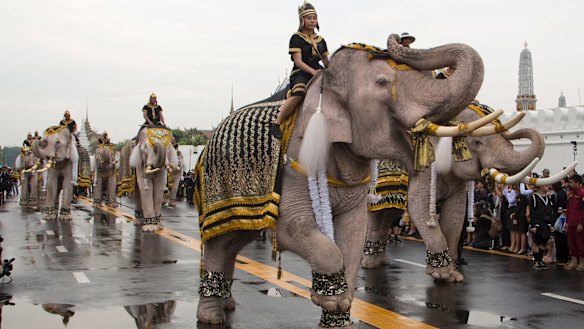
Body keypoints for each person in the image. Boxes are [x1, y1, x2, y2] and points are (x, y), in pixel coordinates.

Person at [271, 1, 329, 139]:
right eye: (309, 18)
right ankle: (277, 123)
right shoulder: (296, 38)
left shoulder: (321, 40)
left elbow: (326, 61)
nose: (312, 21)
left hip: (319, 72)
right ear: (302, 20)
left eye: (314, 18)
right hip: (301, 72)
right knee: (299, 93)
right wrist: (313, 72)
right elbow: (298, 61)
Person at [527, 184, 555, 270]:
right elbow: (531, 212)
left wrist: (551, 224)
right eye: (546, 185)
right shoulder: (534, 198)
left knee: (544, 242)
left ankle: (540, 260)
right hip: (537, 223)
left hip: (546, 223)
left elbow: (550, 211)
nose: (548, 187)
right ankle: (536, 261)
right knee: (537, 242)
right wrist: (533, 225)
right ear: (541, 186)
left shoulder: (548, 198)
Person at [564, 174, 584, 270]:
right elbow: (569, 209)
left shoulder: (582, 194)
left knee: (580, 244)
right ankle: (574, 261)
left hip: (578, 224)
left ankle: (582, 263)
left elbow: (582, 210)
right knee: (571, 244)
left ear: (578, 183)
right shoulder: (571, 194)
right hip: (571, 223)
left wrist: (581, 222)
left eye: (571, 182)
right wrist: (567, 222)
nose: (569, 184)